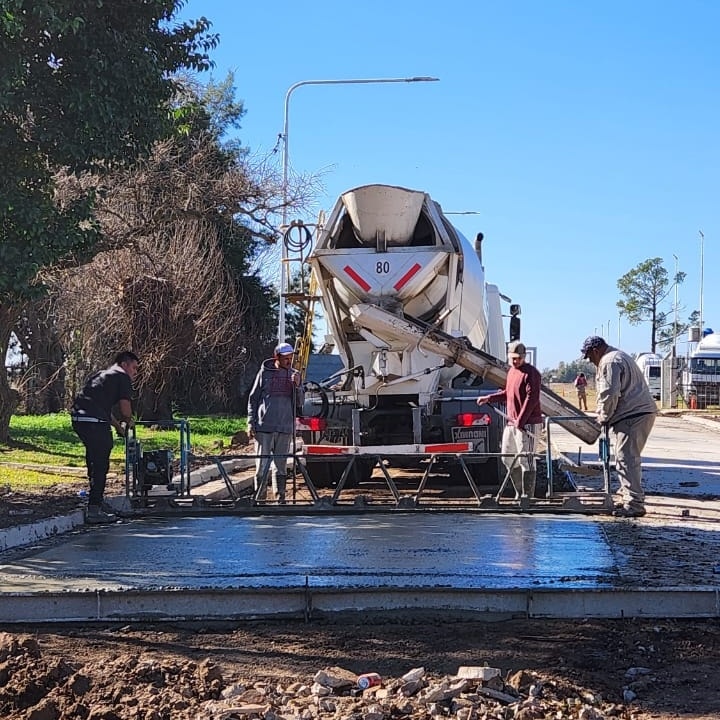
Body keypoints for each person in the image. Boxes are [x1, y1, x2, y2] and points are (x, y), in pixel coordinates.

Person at [580, 335, 657, 518]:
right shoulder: (618, 356)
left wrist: (603, 417)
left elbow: (610, 393)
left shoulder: (609, 361)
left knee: (626, 459)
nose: (591, 361)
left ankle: (634, 504)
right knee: (627, 458)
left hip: (632, 414)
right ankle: (629, 498)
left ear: (596, 350)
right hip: (637, 412)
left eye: (590, 357)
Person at [71, 351, 139, 523]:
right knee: (101, 462)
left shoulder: (101, 376)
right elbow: (125, 408)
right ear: (124, 364)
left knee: (94, 457)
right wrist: (129, 422)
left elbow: (103, 410)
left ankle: (97, 501)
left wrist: (118, 428)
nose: (135, 372)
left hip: (80, 419)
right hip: (94, 421)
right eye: (134, 367)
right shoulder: (121, 377)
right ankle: (94, 509)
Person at [477, 340, 543, 503]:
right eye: (513, 358)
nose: (516, 361)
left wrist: (521, 420)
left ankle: (528, 496)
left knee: (526, 459)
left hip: (528, 423)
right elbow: (508, 393)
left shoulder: (531, 373)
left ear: (524, 357)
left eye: (519, 358)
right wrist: (490, 398)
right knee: (507, 458)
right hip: (512, 422)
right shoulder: (512, 372)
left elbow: (532, 398)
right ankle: (519, 492)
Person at [247, 343, 304, 504]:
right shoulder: (264, 374)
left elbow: (300, 403)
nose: (289, 361)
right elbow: (253, 399)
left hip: (285, 427)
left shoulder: (295, 375)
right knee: (261, 466)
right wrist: (250, 422)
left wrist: (298, 386)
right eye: (285, 358)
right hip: (264, 426)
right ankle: (260, 500)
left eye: (290, 358)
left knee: (280, 466)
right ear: (276, 357)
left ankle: (280, 499)